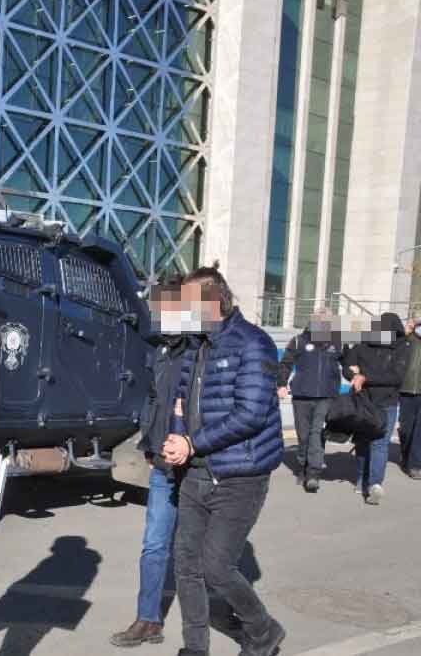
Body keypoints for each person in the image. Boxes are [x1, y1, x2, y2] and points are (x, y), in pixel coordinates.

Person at [163, 263, 285, 656]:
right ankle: (195, 648)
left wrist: (192, 444)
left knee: (216, 567)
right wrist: (177, 434)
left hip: (240, 474)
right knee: (185, 565)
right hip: (196, 472)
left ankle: (263, 630)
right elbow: (181, 400)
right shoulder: (196, 345)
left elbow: (250, 415)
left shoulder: (255, 343)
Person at [110, 277, 189, 649]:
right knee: (155, 545)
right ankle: (148, 620)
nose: (159, 314)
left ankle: (211, 621)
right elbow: (153, 399)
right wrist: (147, 438)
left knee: (197, 550)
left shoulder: (198, 351)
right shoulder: (161, 352)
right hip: (162, 464)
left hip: (197, 466)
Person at [340, 313, 408, 504]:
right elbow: (348, 367)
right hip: (375, 401)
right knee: (371, 442)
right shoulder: (368, 345)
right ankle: (369, 482)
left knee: (372, 442)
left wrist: (362, 375)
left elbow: (395, 377)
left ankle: (370, 482)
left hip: (376, 402)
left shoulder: (396, 347)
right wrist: (353, 374)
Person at [276, 311, 342, 492]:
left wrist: (356, 373)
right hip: (302, 396)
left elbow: (348, 361)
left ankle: (314, 473)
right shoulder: (299, 341)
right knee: (303, 435)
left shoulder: (336, 342)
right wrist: (281, 384)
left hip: (326, 396)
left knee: (316, 434)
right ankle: (303, 466)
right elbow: (286, 363)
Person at [396, 317, 421, 479]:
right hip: (405, 389)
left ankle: (415, 464)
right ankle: (406, 456)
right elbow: (391, 345)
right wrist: (403, 333)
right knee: (406, 428)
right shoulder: (408, 338)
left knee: (419, 430)